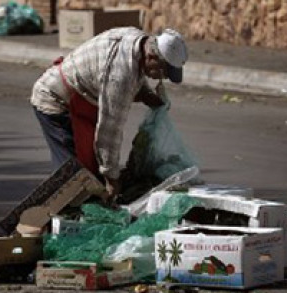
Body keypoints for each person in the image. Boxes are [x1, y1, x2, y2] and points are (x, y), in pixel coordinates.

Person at [31, 27, 188, 202]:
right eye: (163, 71)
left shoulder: (139, 41)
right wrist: (112, 178)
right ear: (152, 57)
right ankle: (45, 219)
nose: (163, 77)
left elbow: (135, 71)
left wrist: (145, 94)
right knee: (73, 177)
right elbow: (109, 133)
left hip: (81, 97)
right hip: (54, 100)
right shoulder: (120, 77)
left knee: (90, 172)